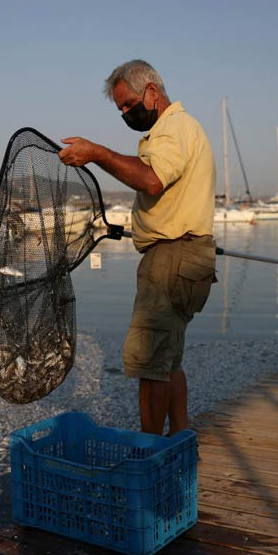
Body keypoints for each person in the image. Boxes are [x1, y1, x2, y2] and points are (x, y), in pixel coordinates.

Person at [59, 59, 216, 436]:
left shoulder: (174, 128)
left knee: (148, 360)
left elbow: (151, 179)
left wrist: (99, 154)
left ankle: (150, 454)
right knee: (168, 359)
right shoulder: (176, 129)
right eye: (121, 110)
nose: (126, 114)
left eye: (129, 104)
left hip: (172, 259)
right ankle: (179, 442)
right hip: (187, 257)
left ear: (152, 91)